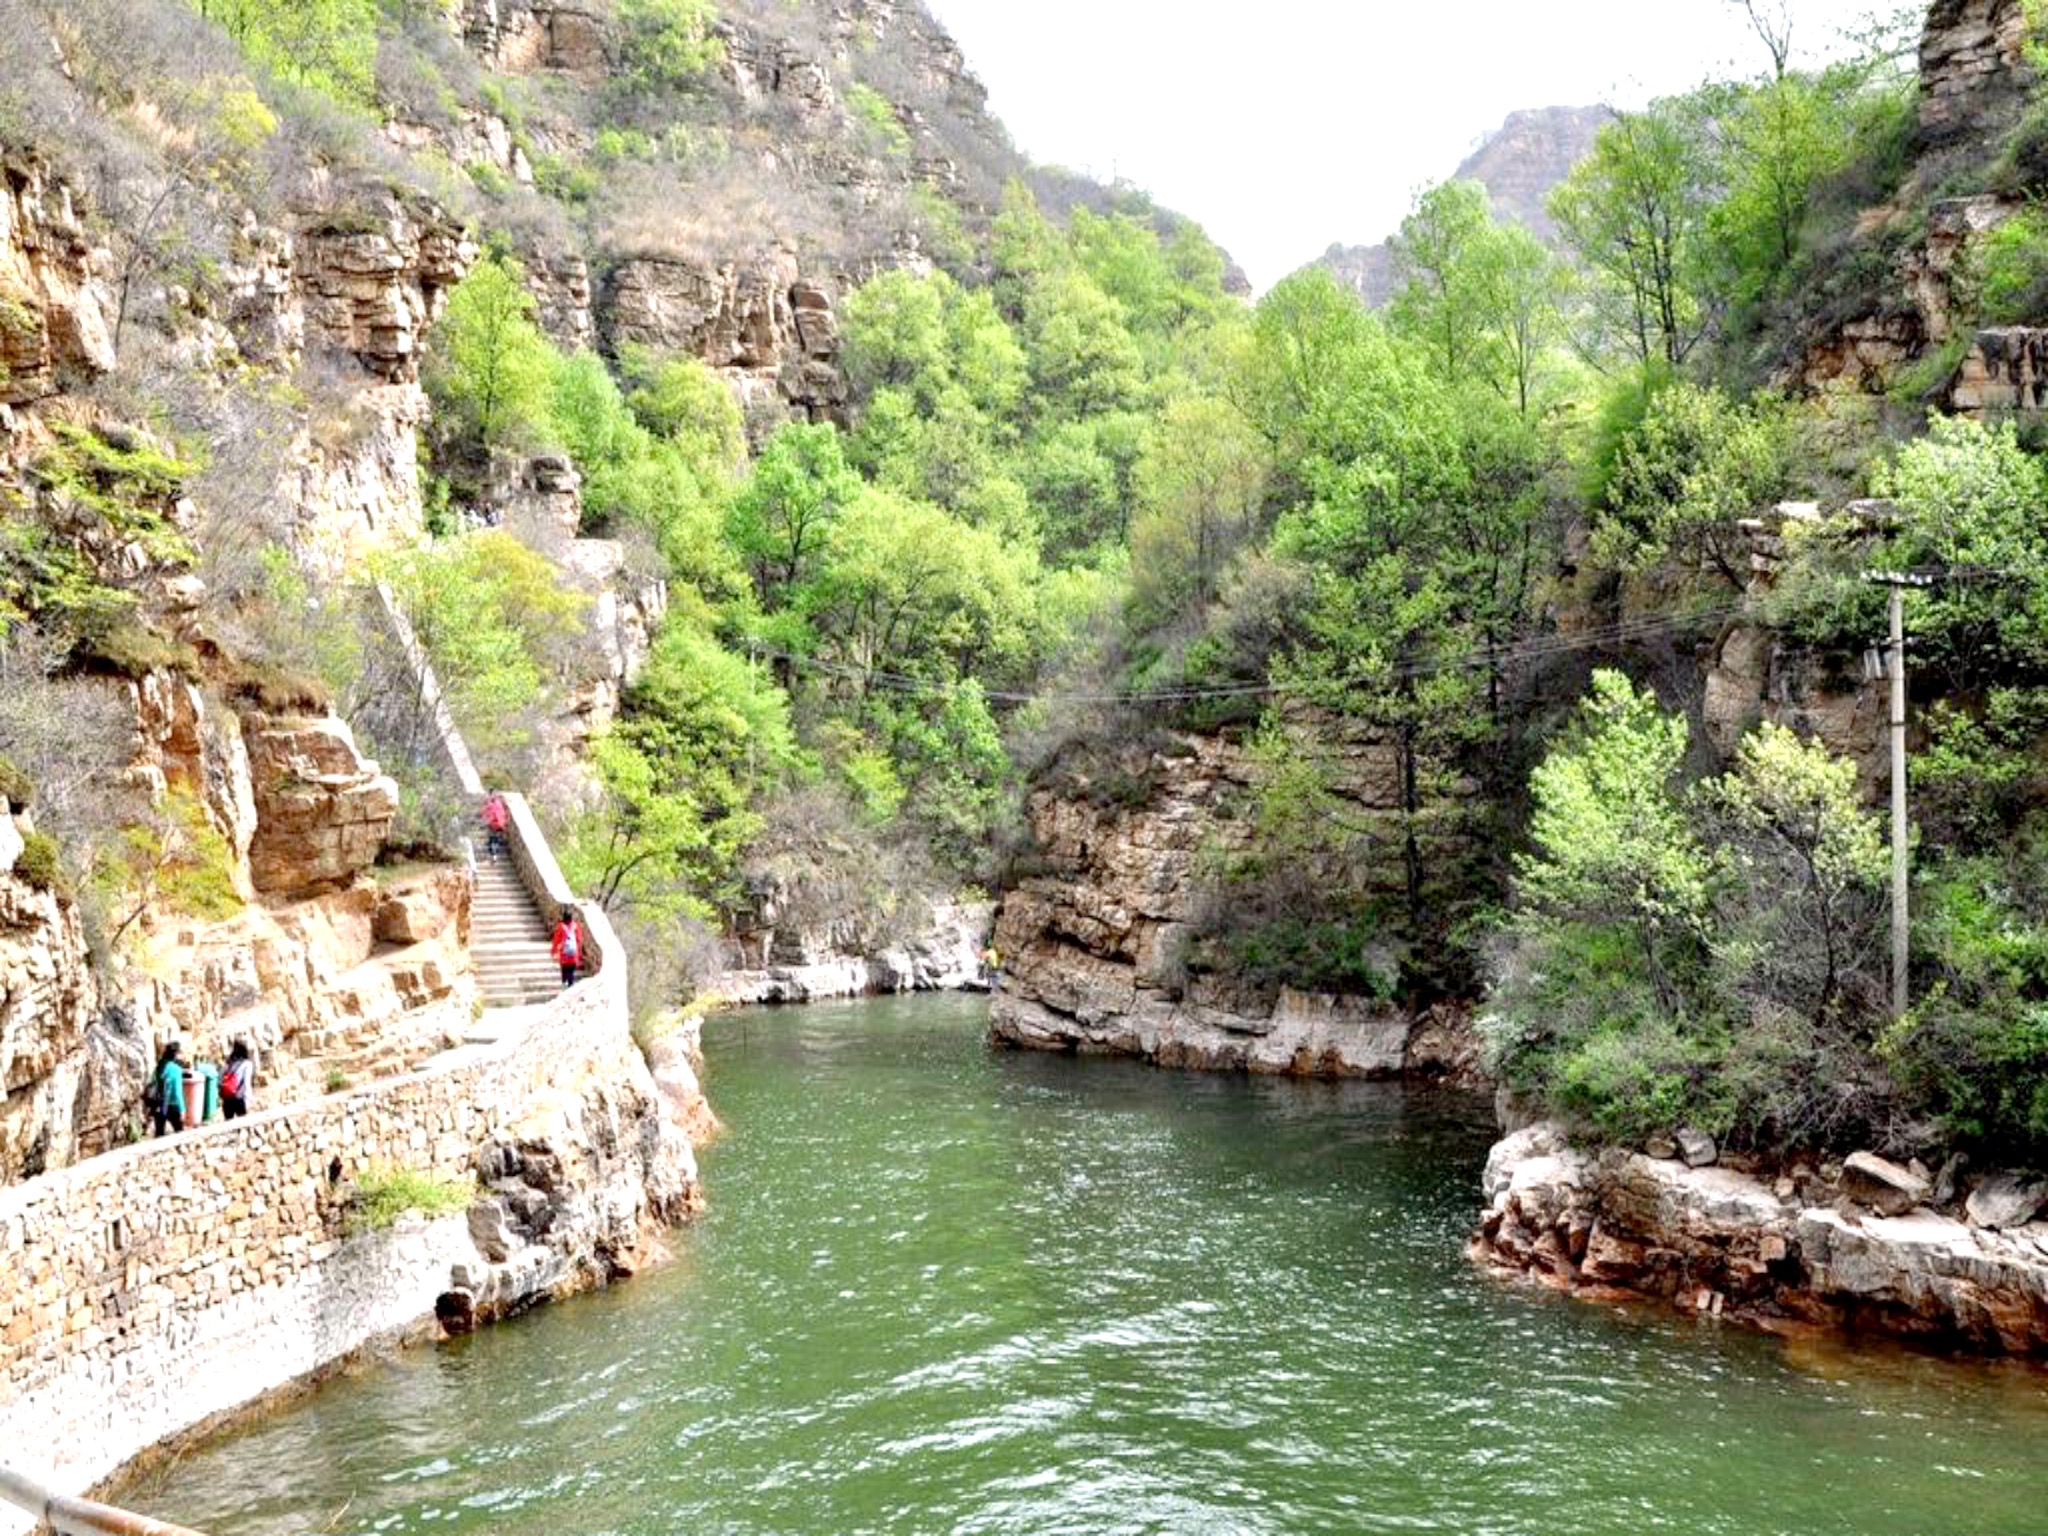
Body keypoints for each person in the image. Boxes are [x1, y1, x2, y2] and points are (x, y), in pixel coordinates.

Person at [148, 1042, 185, 1138]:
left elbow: (153, 1081)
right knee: (180, 1134)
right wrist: (182, 1109)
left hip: (158, 1104)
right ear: (176, 1054)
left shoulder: (160, 1066)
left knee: (159, 1134)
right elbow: (177, 1092)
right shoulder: (176, 1069)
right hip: (172, 1105)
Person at [220, 1039, 255, 1120]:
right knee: (243, 1126)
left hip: (227, 1098)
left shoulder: (229, 1062)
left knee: (228, 1125)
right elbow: (246, 1082)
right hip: (239, 1098)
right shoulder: (247, 1064)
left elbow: (220, 1078)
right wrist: (249, 1098)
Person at [551, 906, 583, 990]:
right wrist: (579, 955)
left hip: (564, 955)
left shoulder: (560, 927)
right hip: (573, 955)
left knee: (564, 972)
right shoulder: (576, 927)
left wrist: (553, 952)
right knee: (571, 973)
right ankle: (570, 988)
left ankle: (565, 988)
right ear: (571, 918)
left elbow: (556, 941)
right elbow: (579, 941)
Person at [482, 791, 510, 858]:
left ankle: (493, 853)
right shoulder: (500, 805)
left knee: (492, 839)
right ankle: (495, 853)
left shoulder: (491, 805)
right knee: (496, 839)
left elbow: (485, 813)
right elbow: (504, 814)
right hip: (500, 825)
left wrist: (486, 820)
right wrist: (505, 822)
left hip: (493, 825)